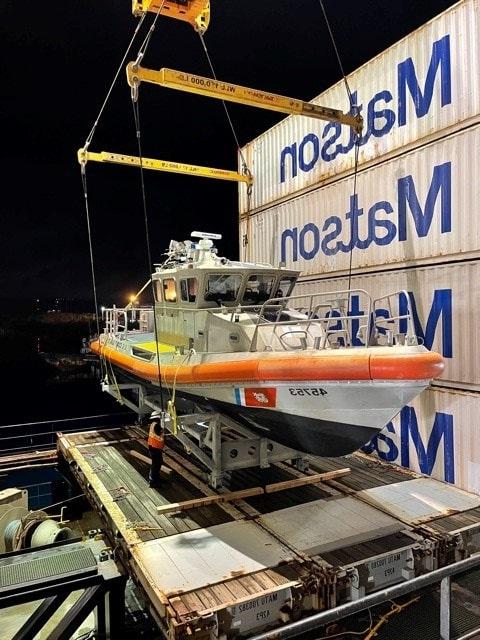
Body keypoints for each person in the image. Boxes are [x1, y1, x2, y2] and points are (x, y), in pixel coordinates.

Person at [147, 410, 165, 487]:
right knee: (156, 465)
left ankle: (156, 478)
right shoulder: (157, 425)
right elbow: (159, 433)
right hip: (155, 448)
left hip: (153, 447)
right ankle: (153, 481)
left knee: (158, 463)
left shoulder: (153, 424)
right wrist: (163, 427)